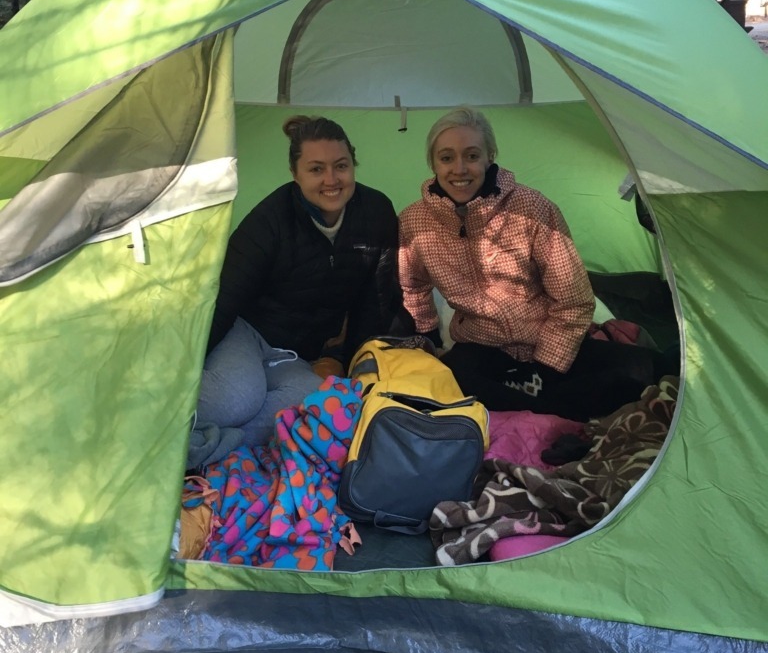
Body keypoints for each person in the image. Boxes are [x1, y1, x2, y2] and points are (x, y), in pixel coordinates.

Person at [398, 107, 664, 423]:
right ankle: (558, 409)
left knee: (652, 370)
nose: (459, 169)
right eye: (446, 158)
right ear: (433, 163)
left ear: (489, 156)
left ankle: (534, 404)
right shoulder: (415, 220)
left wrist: (546, 367)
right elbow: (411, 285)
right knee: (449, 380)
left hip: (545, 339)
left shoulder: (532, 207)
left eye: (471, 156)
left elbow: (575, 299)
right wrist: (428, 341)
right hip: (481, 347)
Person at [195, 115, 409, 456]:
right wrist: (190, 362)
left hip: (295, 354)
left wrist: (351, 369)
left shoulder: (376, 212)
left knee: (312, 405)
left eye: (341, 166)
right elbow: (225, 298)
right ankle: (142, 413)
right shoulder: (271, 220)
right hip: (246, 332)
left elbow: (376, 300)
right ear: (295, 174)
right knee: (237, 400)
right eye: (316, 169)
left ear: (353, 164)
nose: (331, 180)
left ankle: (202, 445)